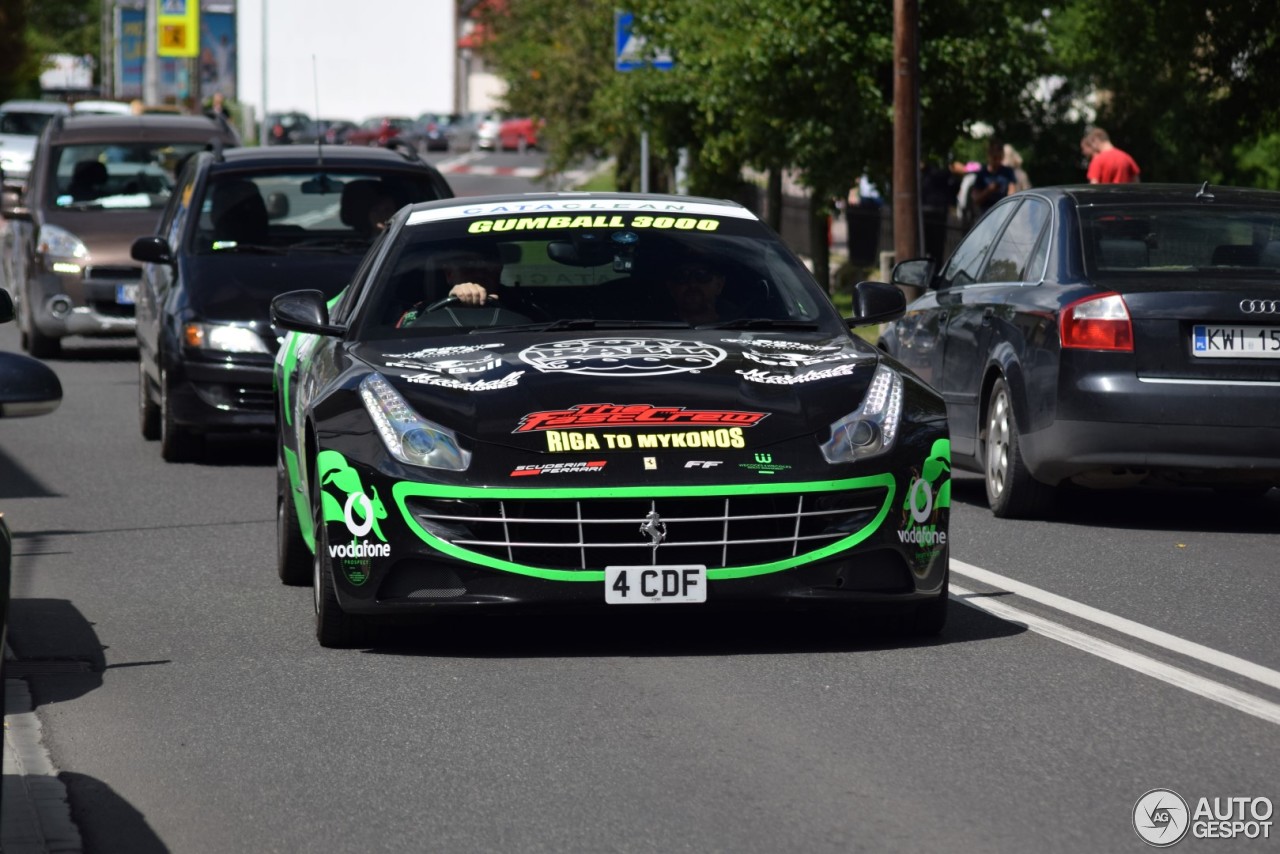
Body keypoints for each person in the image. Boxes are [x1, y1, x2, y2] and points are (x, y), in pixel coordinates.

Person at [396, 246, 504, 327]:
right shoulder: (420, 313)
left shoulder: (519, 302)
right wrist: (453, 305)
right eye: (468, 267)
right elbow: (403, 341)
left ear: (499, 269)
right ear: (449, 274)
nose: (480, 274)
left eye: (488, 266)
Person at [968, 138, 1017, 216]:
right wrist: (989, 190)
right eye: (995, 158)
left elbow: (1012, 193)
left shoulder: (1008, 172)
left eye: (1000, 158)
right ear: (989, 155)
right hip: (985, 215)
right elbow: (976, 200)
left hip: (1002, 215)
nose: (997, 161)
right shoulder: (982, 174)